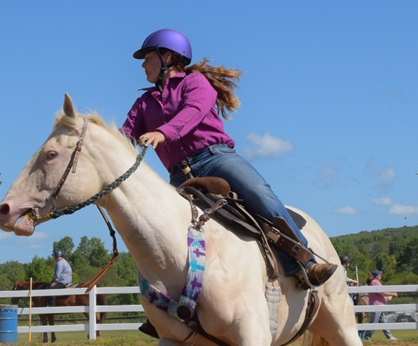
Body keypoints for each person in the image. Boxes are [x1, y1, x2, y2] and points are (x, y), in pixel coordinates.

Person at [120, 28, 337, 290]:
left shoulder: (195, 83)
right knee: (162, 232)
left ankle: (306, 263)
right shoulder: (144, 103)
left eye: (147, 57)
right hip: (179, 175)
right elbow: (124, 137)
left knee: (262, 195)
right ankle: (167, 304)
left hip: (216, 159)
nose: (143, 64)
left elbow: (193, 112)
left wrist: (163, 133)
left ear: (167, 57)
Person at [360, 270, 398, 341]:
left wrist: (386, 297)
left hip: (379, 305)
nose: (381, 276)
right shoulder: (375, 282)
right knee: (374, 321)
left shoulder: (375, 282)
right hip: (377, 305)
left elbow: (379, 294)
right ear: (377, 276)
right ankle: (367, 337)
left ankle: (389, 336)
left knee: (384, 321)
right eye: (380, 275)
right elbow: (382, 293)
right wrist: (392, 294)